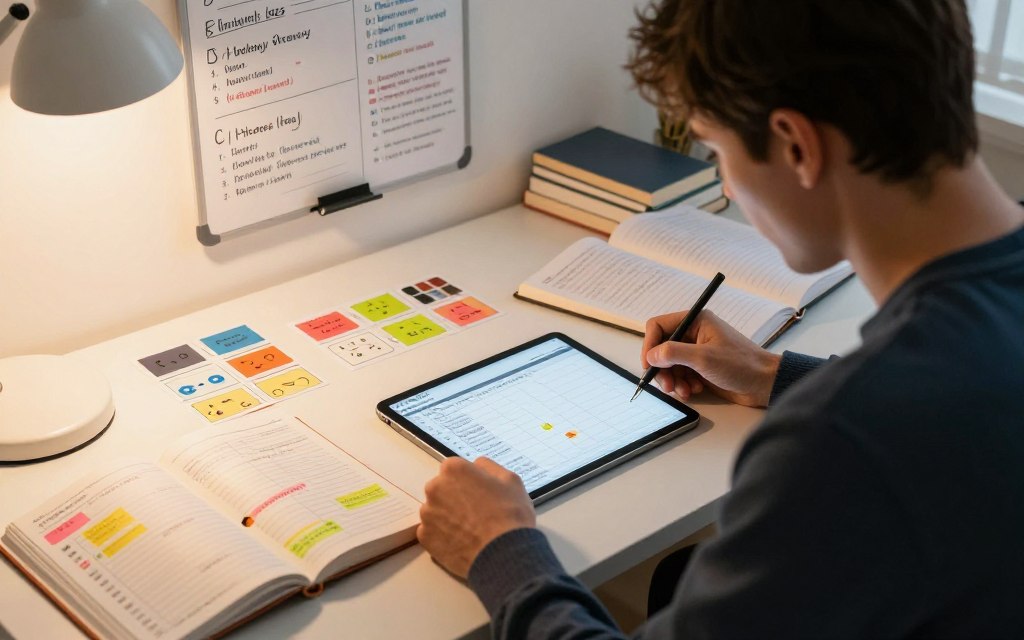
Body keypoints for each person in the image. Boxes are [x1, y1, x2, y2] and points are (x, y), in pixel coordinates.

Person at [416, 0, 1024, 636]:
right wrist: (773, 374)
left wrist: (500, 549)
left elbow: (891, 428)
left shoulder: (841, 443)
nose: (728, 189)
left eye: (717, 152)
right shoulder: (916, 388)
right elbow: (949, 405)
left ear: (796, 145)